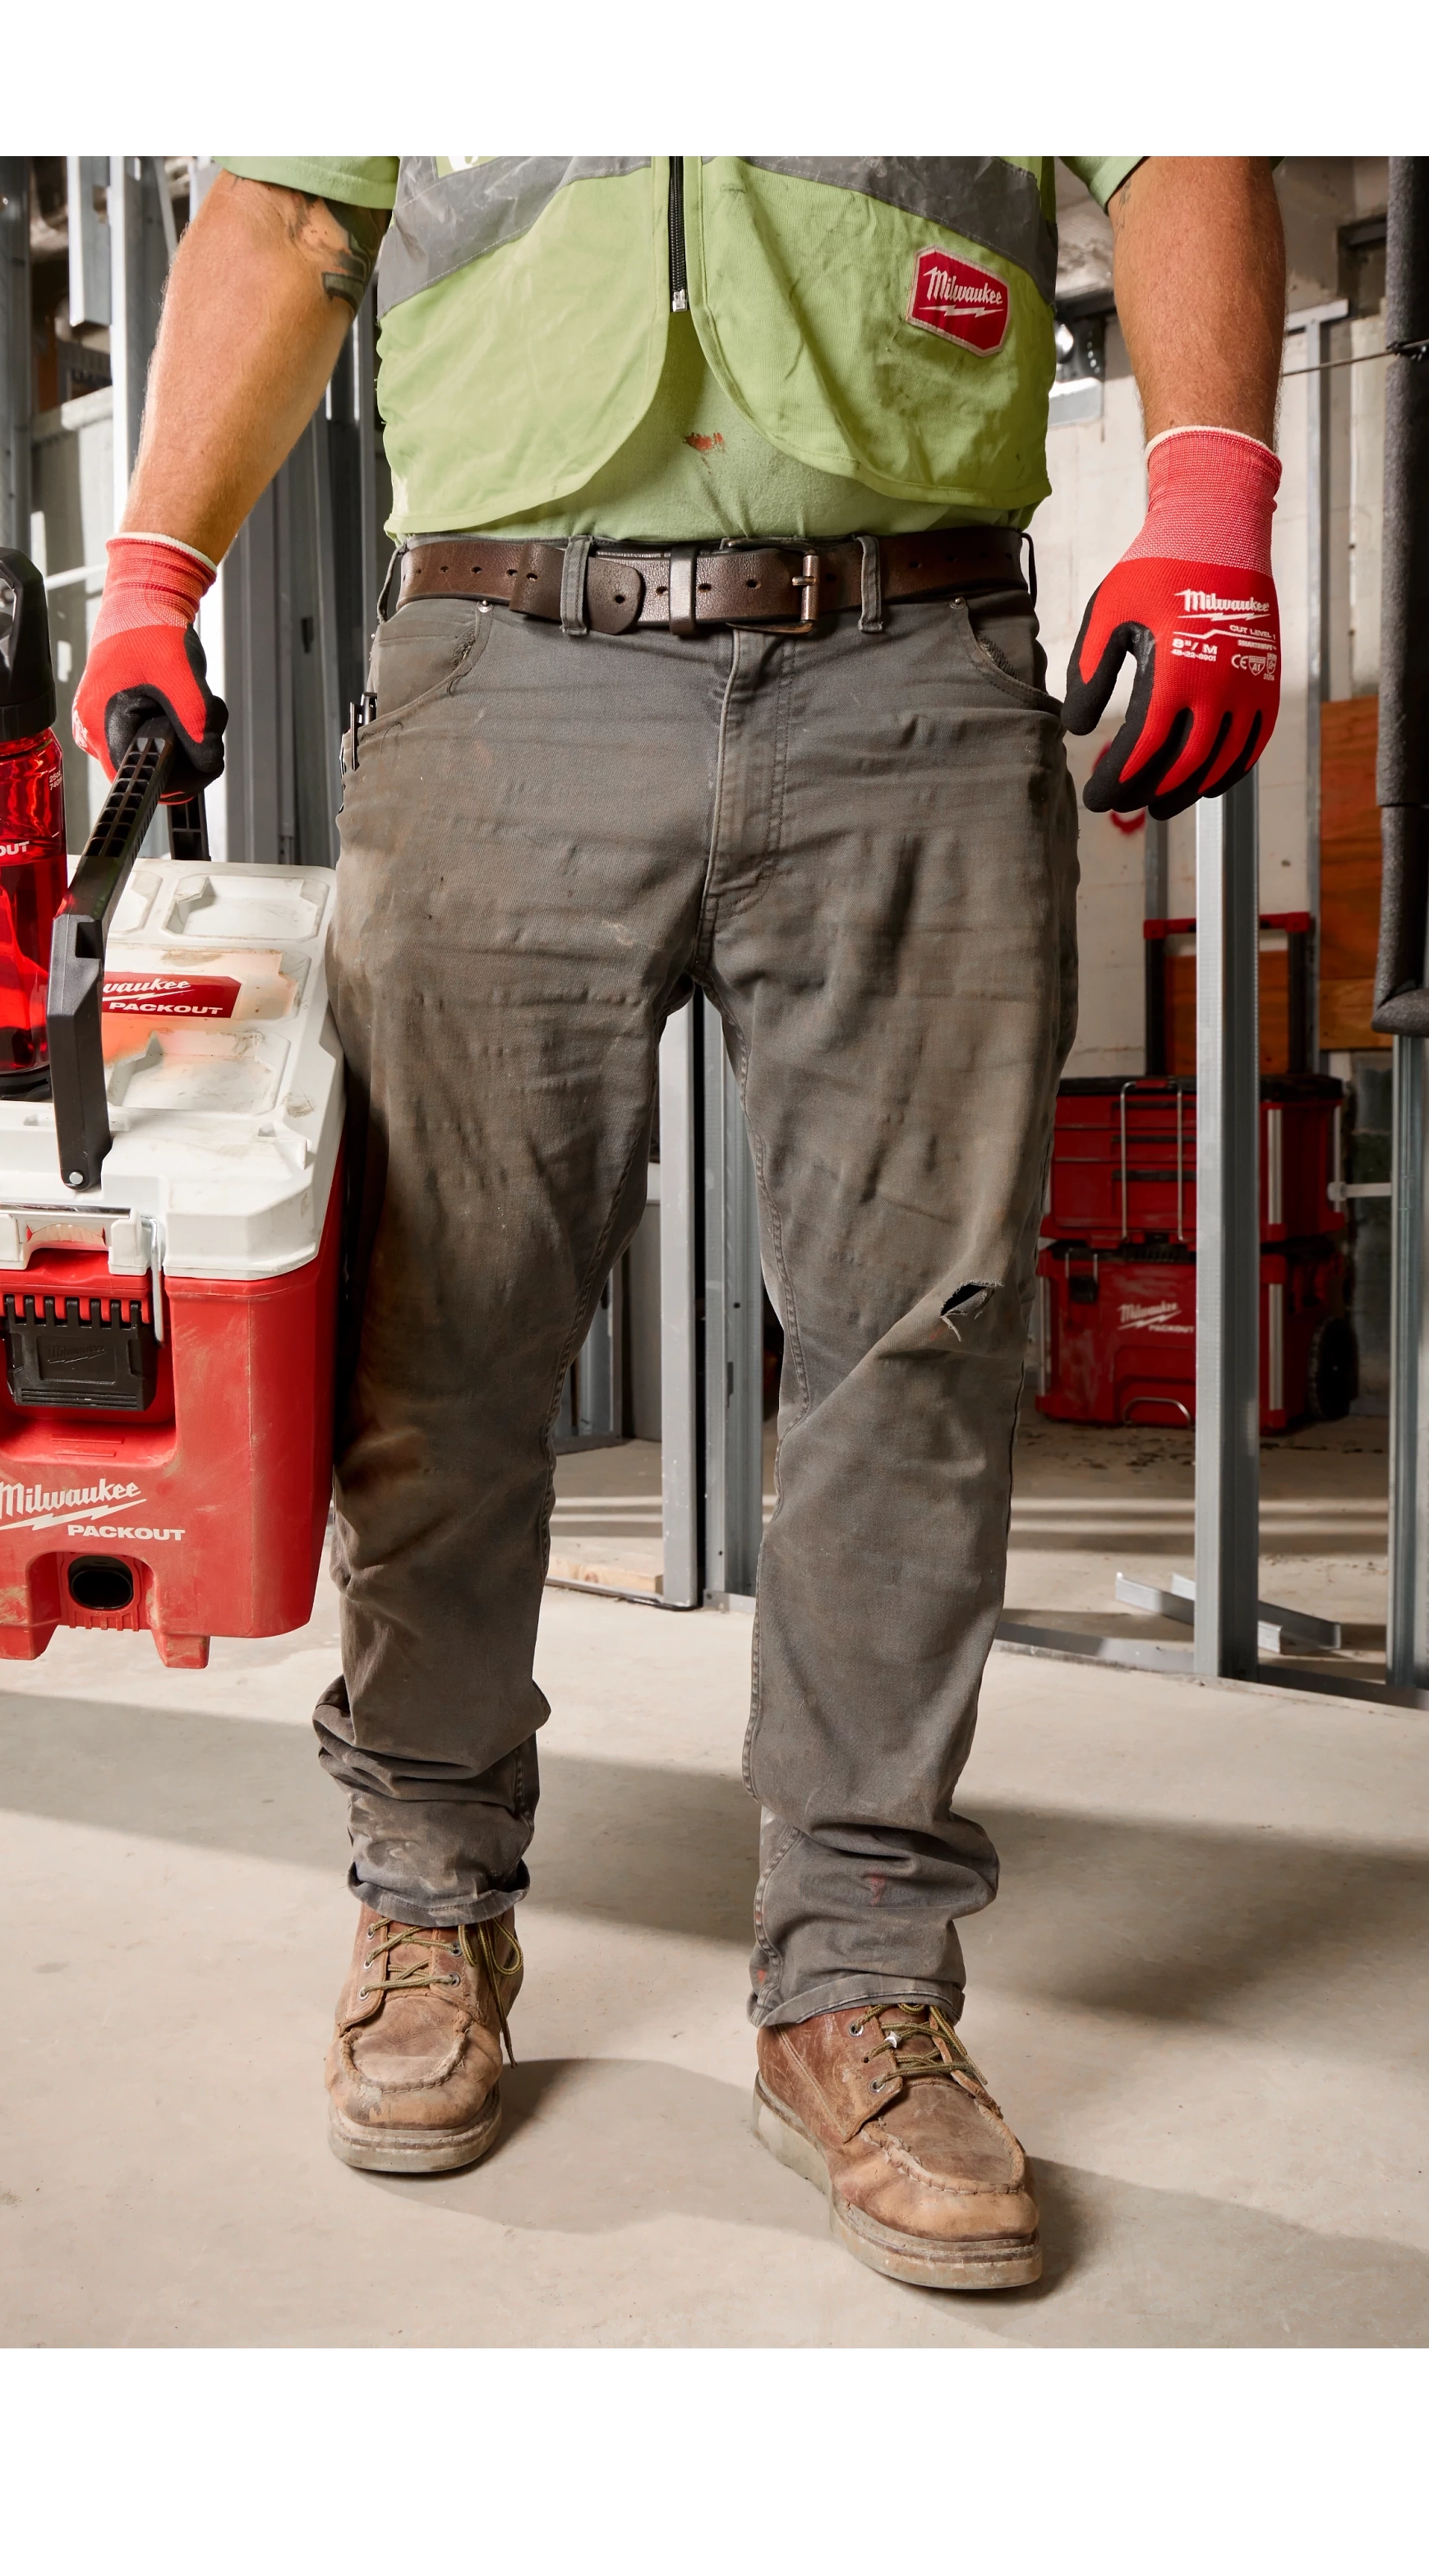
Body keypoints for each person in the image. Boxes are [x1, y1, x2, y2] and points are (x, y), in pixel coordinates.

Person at [71, 154, 1287, 2290]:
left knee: (921, 1346)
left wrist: (1206, 508)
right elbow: (280, 215)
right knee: (438, 1336)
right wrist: (153, 570)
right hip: (499, 661)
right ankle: (430, 1901)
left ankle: (857, 1987)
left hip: (913, 658)